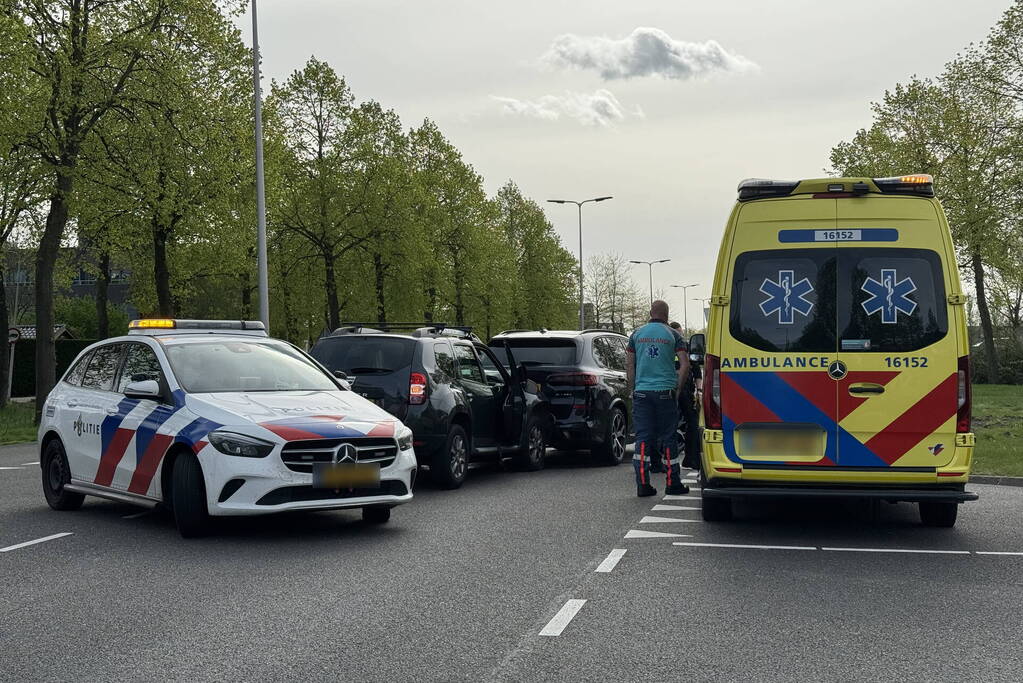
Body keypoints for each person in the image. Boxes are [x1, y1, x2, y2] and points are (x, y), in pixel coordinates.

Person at [626, 301, 690, 497]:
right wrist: (677, 388)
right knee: (668, 437)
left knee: (643, 439)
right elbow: (685, 364)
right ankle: (673, 483)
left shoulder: (636, 335)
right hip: (665, 392)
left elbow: (629, 365)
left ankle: (643, 484)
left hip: (642, 393)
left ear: (650, 313)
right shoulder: (674, 335)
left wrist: (633, 389)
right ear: (667, 315)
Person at [669, 321, 701, 470]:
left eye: (680, 333)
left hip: (685, 390)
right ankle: (667, 458)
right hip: (671, 389)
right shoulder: (667, 346)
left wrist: (699, 390)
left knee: (692, 423)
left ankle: (690, 458)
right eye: (678, 333)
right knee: (671, 424)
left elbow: (695, 369)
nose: (680, 335)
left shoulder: (684, 347)